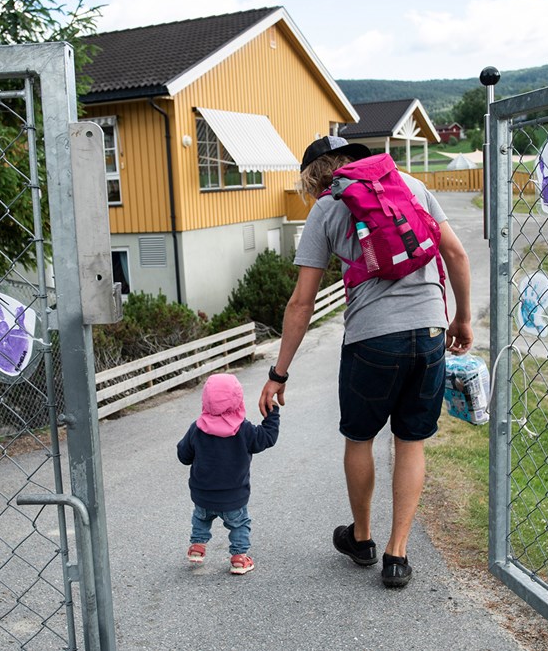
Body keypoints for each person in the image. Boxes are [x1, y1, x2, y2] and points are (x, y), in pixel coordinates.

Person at [257, 136, 472, 589]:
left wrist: (279, 372)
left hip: (372, 341)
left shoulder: (325, 208)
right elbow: (455, 253)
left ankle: (362, 539)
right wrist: (462, 319)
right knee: (410, 442)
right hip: (430, 332)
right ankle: (397, 555)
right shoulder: (410, 185)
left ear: (314, 176)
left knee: (360, 438)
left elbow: (302, 302)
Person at [178, 372, 280, 575]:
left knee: (201, 517)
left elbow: (183, 455)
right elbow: (267, 437)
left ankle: (197, 546)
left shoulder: (197, 429)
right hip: (234, 496)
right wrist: (272, 413)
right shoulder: (244, 430)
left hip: (203, 493)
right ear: (237, 399)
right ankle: (239, 558)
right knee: (239, 524)